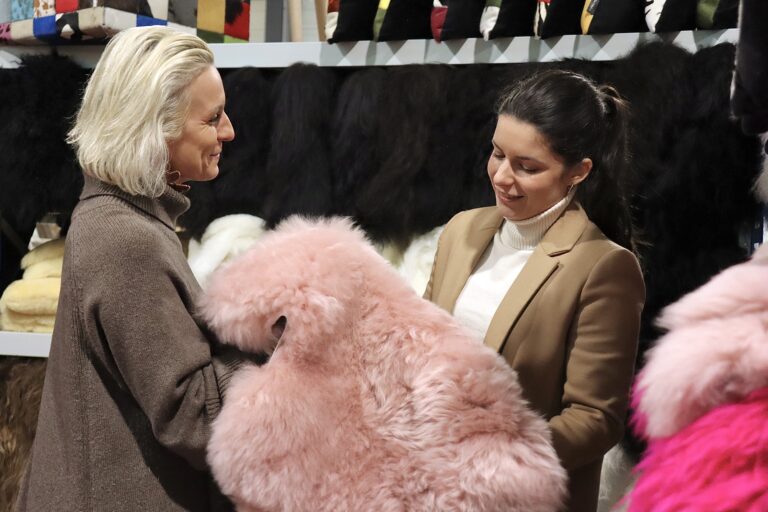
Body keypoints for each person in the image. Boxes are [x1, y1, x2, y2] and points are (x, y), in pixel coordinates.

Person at [16, 26, 239, 511]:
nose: (228, 131)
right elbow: (195, 417)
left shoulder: (120, 218)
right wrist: (276, 336)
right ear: (155, 128)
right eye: (212, 118)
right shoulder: (126, 240)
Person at [424, 69, 645, 512]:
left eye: (527, 167)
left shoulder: (602, 266)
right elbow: (420, 346)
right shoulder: (462, 230)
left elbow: (596, 418)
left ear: (578, 172)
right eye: (497, 154)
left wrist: (497, 455)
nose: (502, 176)